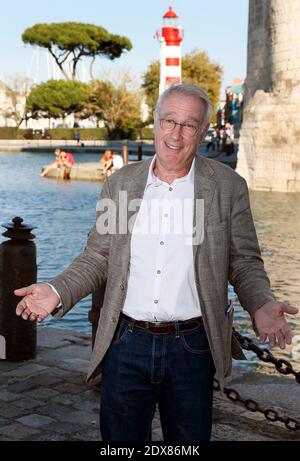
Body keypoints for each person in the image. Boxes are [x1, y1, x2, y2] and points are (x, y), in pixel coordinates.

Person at [15, 83, 298, 442]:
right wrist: (57, 290)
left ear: (203, 131)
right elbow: (98, 256)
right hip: (126, 342)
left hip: (193, 348)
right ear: (154, 122)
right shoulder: (121, 184)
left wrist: (260, 302)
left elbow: (244, 262)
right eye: (169, 121)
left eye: (189, 125)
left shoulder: (228, 187)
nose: (176, 134)